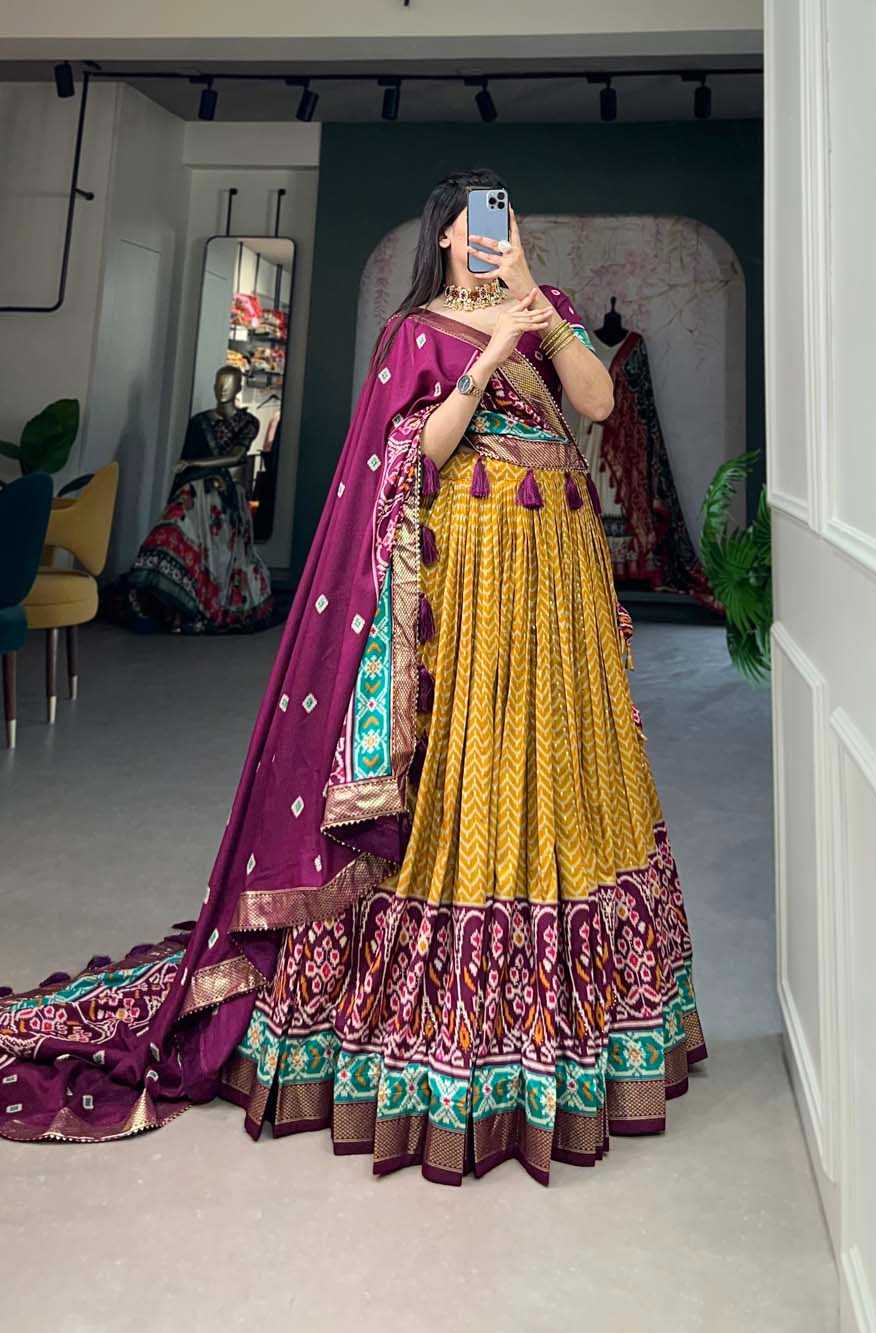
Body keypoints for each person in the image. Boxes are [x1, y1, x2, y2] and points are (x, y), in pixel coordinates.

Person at [0, 167, 707, 1186]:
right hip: (470, 585)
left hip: (556, 592)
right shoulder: (416, 333)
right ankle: (447, 1044)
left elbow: (596, 403)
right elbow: (418, 456)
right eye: (476, 226)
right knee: (463, 771)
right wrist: (487, 357)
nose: (492, 237)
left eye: (505, 222)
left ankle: (572, 1028)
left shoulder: (543, 307)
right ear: (444, 236)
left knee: (558, 771)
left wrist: (534, 307)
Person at [123, 365, 275, 635]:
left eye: (228, 383)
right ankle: (167, 594)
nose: (222, 388)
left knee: (217, 550)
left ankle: (202, 601)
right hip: (193, 490)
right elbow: (186, 462)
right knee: (172, 529)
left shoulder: (248, 422)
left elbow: (236, 457)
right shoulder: (199, 423)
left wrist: (195, 463)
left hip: (224, 494)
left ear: (238, 387)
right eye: (218, 383)